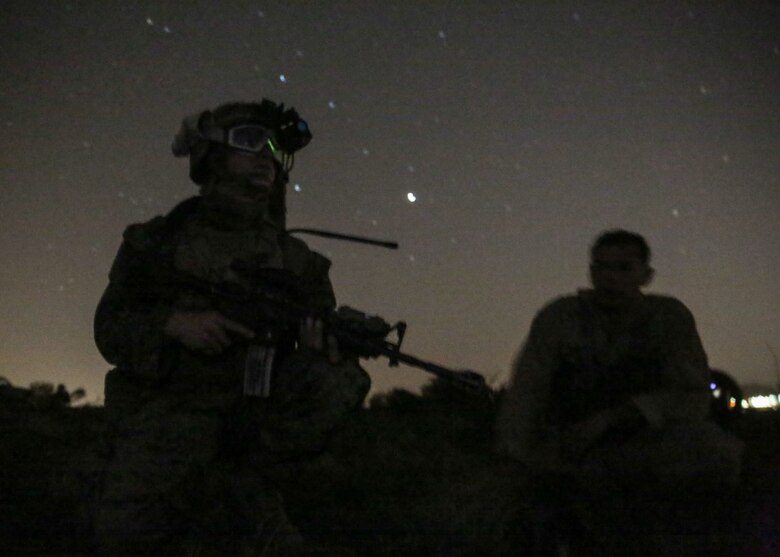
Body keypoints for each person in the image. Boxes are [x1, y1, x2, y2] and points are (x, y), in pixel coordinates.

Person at [93, 99, 371, 556]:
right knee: (127, 537)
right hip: (167, 424)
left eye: (276, 150)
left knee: (335, 377)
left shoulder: (298, 262)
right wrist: (173, 324)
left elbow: (315, 342)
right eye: (250, 142)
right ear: (211, 154)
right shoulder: (157, 242)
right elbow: (110, 328)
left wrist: (319, 350)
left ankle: (252, 487)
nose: (266, 158)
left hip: (255, 427)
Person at [496, 229, 743, 556]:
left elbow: (691, 394)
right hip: (572, 442)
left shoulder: (669, 317)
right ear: (591, 271)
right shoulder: (559, 317)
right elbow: (528, 389)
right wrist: (518, 451)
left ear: (646, 275)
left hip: (647, 440)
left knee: (717, 454)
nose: (610, 277)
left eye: (624, 268)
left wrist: (612, 419)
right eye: (601, 267)